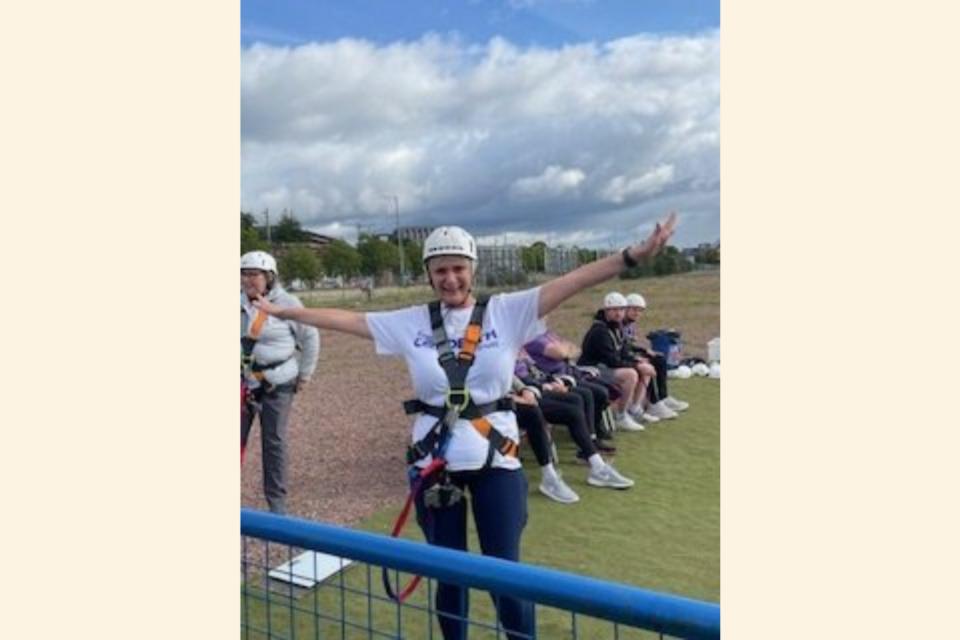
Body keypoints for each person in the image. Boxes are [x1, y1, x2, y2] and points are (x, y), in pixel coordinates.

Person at [252, 213, 676, 640]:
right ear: (428, 275)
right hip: (435, 464)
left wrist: (632, 256)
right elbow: (348, 320)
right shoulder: (411, 321)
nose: (450, 279)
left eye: (458, 268)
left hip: (498, 462)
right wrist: (282, 310)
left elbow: (575, 281)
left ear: (472, 269)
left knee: (506, 577)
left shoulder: (507, 312)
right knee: (449, 578)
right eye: (440, 270)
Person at [241, 251, 320, 514]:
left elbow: (310, 338)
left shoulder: (287, 303)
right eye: (244, 274)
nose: (247, 280)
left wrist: (305, 375)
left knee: (273, 442)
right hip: (245, 383)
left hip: (278, 383)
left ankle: (277, 505)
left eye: (254, 274)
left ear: (269, 277)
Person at [577, 292, 660, 429]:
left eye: (621, 309)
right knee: (630, 374)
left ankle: (634, 409)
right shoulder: (600, 330)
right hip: (592, 369)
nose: (618, 313)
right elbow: (612, 361)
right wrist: (636, 366)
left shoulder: (616, 327)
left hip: (605, 366)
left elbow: (624, 352)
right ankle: (620, 416)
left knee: (644, 366)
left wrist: (638, 362)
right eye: (614, 309)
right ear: (606, 311)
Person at [623, 293, 689, 413]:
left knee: (660, 358)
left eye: (640, 310)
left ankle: (662, 397)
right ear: (625, 308)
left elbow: (629, 344)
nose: (637, 313)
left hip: (627, 354)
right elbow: (623, 346)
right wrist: (640, 355)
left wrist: (644, 351)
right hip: (621, 358)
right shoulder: (620, 324)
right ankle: (654, 402)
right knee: (652, 363)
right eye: (634, 309)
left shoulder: (630, 324)